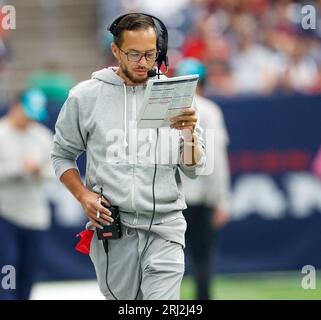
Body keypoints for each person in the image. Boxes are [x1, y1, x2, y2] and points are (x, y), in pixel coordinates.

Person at [51, 13, 206, 300]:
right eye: (133, 53)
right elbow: (61, 155)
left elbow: (194, 169)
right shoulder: (84, 97)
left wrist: (189, 134)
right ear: (115, 50)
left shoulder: (175, 92)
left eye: (150, 53)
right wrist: (83, 195)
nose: (143, 62)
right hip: (114, 231)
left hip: (166, 227)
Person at [175, 58, 231, 300]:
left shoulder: (168, 109)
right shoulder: (209, 110)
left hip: (171, 199)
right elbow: (216, 158)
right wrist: (221, 199)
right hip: (201, 199)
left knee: (165, 265)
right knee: (203, 262)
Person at [0, 89, 54, 300]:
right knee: (7, 272)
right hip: (5, 215)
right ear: (16, 107)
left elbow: (56, 172)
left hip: (35, 217)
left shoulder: (42, 136)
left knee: (27, 275)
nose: (31, 119)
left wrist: (38, 170)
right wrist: (19, 169)